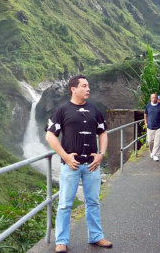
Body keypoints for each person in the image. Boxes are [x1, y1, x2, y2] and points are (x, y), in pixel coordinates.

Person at [45, 75, 112, 252]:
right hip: (70, 165)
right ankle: (61, 241)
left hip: (92, 164)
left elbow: (103, 132)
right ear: (73, 89)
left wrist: (101, 155)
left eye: (88, 86)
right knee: (65, 204)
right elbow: (50, 135)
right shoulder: (62, 110)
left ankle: (96, 237)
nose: (88, 89)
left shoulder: (94, 109)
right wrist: (65, 156)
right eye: (84, 86)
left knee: (93, 202)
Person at [144, 93, 160, 161]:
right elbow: (145, 115)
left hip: (159, 127)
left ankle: (155, 155)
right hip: (150, 126)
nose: (154, 99)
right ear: (151, 98)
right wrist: (146, 123)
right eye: (153, 97)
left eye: (155, 97)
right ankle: (152, 152)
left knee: (157, 142)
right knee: (150, 141)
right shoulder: (148, 106)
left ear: (157, 98)